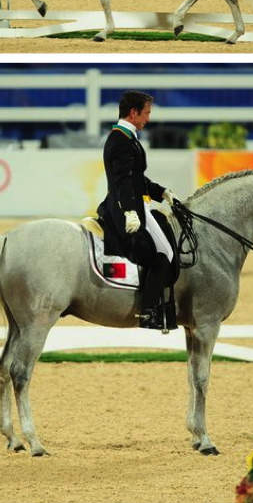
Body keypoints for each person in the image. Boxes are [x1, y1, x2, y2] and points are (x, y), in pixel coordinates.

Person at [96, 91, 179, 330]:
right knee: (160, 258)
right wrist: (128, 212)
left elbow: (136, 178)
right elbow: (122, 182)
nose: (148, 119)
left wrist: (160, 192)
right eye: (146, 113)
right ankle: (148, 312)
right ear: (133, 113)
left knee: (168, 252)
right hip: (126, 209)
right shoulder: (120, 140)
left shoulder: (128, 138)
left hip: (139, 204)